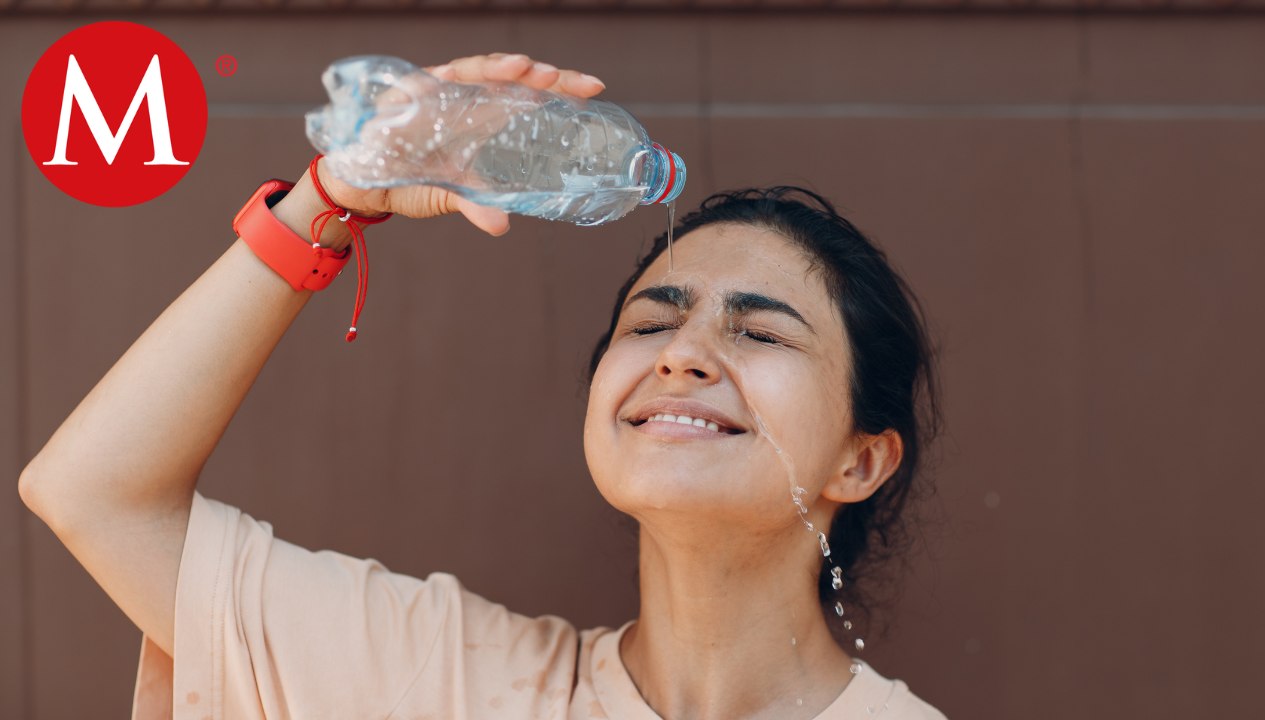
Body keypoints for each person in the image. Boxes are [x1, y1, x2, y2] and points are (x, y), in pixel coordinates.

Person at [18, 52, 947, 719]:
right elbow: (93, 494)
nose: (681, 355)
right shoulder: (439, 676)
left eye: (757, 331)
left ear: (862, 460)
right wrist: (329, 201)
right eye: (651, 322)